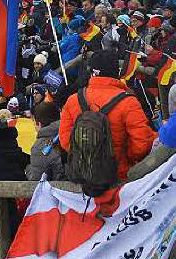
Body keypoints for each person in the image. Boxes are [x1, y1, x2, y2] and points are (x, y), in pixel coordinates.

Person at [58, 49, 156, 184]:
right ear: (116, 72)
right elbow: (142, 142)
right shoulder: (129, 102)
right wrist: (126, 158)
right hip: (118, 175)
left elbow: (65, 140)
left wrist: (86, 153)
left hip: (85, 174)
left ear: (91, 72)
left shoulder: (74, 99)